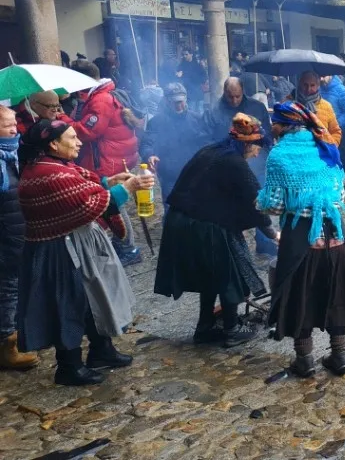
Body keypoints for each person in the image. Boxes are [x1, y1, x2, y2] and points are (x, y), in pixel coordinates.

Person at [17, 119, 152, 385]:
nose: (79, 142)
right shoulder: (48, 174)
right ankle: (69, 366)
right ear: (53, 144)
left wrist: (108, 181)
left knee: (95, 297)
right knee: (67, 304)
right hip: (58, 250)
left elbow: (85, 185)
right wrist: (127, 188)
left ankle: (101, 350)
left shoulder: (58, 165)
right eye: (72, 138)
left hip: (77, 242)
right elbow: (91, 204)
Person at [154, 113, 276, 347]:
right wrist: (272, 233)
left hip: (181, 221)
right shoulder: (235, 163)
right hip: (204, 226)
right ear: (247, 144)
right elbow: (256, 202)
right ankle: (232, 328)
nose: (257, 153)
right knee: (231, 274)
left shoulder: (210, 151)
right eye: (256, 147)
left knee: (208, 277)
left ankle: (205, 327)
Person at [258, 101, 345, 377]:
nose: (272, 127)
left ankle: (304, 360)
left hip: (301, 241)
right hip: (336, 238)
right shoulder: (326, 146)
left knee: (300, 298)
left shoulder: (279, 155)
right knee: (336, 293)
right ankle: (339, 356)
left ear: (284, 125)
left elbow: (275, 206)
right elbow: (339, 195)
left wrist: (265, 202)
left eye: (275, 123)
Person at [68, 60, 145, 267]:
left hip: (107, 160)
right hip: (113, 156)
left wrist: (64, 122)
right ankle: (124, 245)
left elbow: (88, 131)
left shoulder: (100, 99)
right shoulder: (98, 94)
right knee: (114, 201)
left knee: (112, 203)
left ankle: (128, 248)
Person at [205, 77, 277, 256]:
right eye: (230, 96)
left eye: (237, 96)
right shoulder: (214, 111)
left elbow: (267, 135)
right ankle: (234, 246)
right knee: (231, 207)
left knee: (260, 202)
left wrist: (264, 151)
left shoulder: (257, 107)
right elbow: (208, 138)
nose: (234, 100)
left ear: (243, 91)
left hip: (257, 162)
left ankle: (264, 243)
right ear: (224, 92)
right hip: (227, 168)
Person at [0, 107, 37, 369]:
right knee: (8, 290)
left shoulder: (10, 155)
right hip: (6, 238)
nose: (15, 130)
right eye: (7, 125)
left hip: (14, 232)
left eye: (14, 124)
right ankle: (7, 347)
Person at [138, 83, 205, 211]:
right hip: (169, 176)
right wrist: (150, 155)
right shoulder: (156, 122)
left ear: (186, 99)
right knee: (172, 212)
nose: (178, 105)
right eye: (174, 102)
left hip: (195, 174)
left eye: (181, 101)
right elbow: (146, 144)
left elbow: (206, 143)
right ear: (167, 101)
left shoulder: (197, 119)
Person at [322, 75, 345, 197]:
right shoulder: (319, 89)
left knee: (342, 155)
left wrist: (336, 124)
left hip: (339, 129)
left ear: (330, 75)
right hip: (323, 130)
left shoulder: (341, 90)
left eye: (323, 76)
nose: (321, 79)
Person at [293, 72, 343, 145]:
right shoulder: (289, 103)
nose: (308, 89)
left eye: (312, 85)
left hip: (320, 150)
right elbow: (278, 128)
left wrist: (331, 147)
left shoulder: (326, 106)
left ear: (318, 86)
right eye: (305, 85)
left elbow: (335, 131)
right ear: (300, 84)